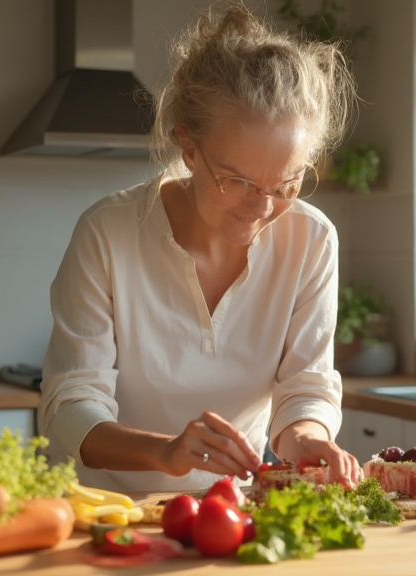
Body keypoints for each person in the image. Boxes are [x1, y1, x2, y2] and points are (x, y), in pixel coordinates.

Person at [39, 0, 361, 493]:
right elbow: (70, 405)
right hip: (106, 513)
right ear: (188, 148)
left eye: (286, 184)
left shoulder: (311, 239)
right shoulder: (108, 232)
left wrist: (307, 436)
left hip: (230, 512)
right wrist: (164, 452)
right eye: (235, 181)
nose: (261, 208)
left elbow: (305, 388)